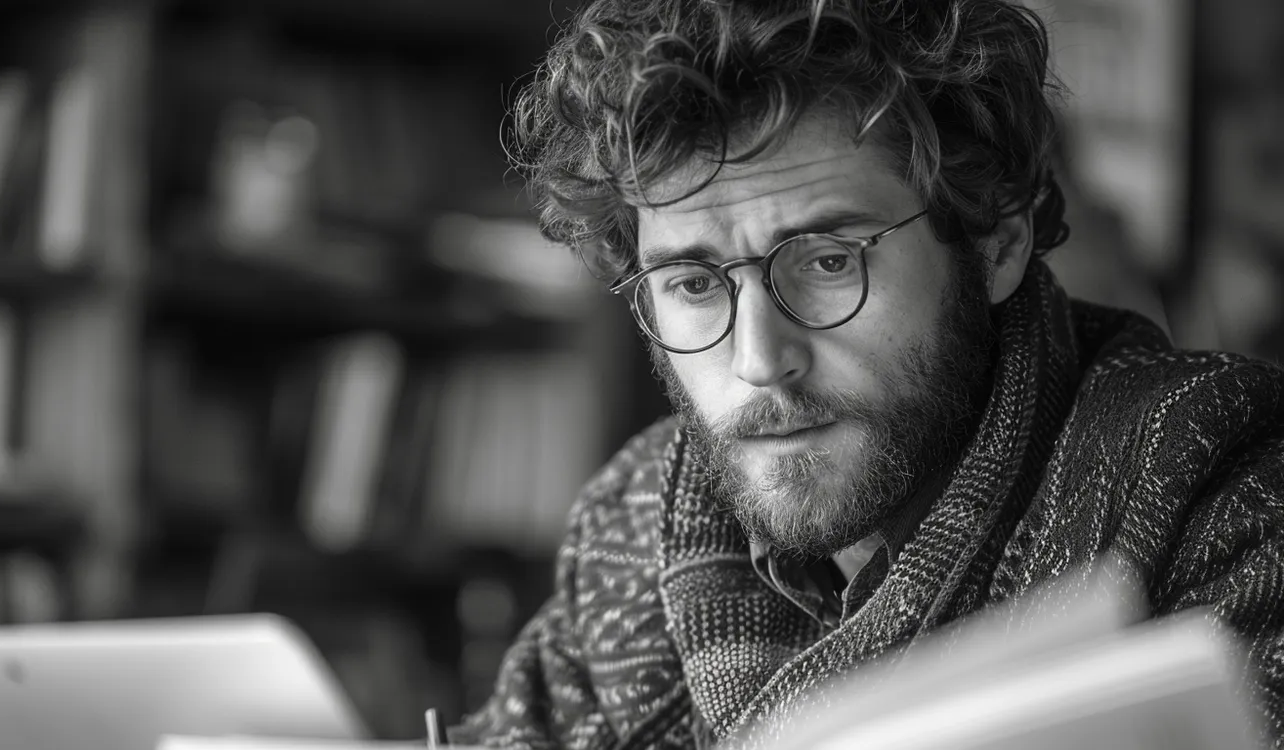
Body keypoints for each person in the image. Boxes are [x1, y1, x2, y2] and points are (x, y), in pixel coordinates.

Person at [447, 0, 1284, 748]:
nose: (760, 360)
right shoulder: (626, 534)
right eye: (694, 285)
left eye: (829, 261)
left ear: (995, 244)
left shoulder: (1216, 490)